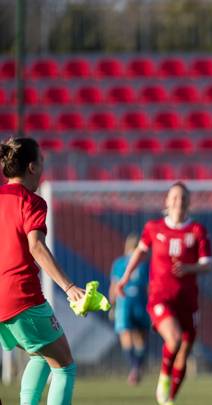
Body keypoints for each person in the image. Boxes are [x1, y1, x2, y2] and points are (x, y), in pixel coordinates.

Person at [0, 137, 85, 405]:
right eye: (42, 162)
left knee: (40, 355)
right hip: (21, 296)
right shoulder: (32, 202)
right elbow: (36, 246)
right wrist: (69, 288)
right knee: (65, 365)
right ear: (31, 168)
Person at [116, 181, 212, 405]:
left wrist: (189, 268)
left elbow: (208, 264)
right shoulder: (153, 228)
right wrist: (125, 277)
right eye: (175, 197)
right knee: (174, 339)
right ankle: (164, 378)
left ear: (189, 202)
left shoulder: (197, 230)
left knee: (184, 351)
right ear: (167, 202)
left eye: (183, 197)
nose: (179, 201)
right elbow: (139, 253)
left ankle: (169, 398)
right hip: (160, 298)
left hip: (188, 301)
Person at [109, 233, 150, 385]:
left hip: (124, 302)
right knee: (141, 339)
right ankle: (137, 367)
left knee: (126, 337)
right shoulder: (144, 264)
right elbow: (149, 288)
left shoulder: (119, 263)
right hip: (141, 302)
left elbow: (113, 287)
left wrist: (112, 305)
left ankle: (134, 368)